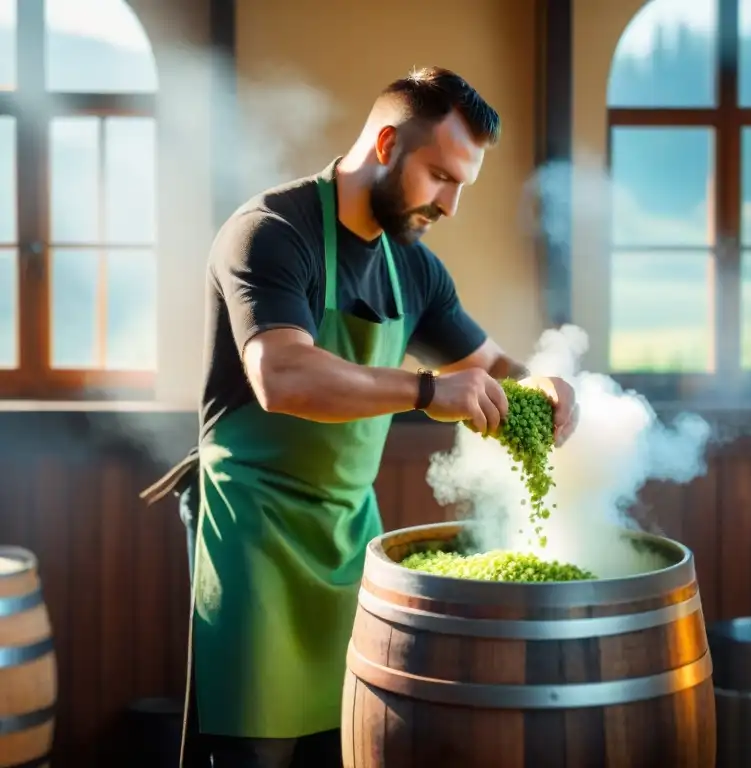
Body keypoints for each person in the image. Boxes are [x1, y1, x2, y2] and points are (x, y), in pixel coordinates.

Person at [146, 66, 580, 768]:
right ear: (385, 144)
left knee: (348, 746)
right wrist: (426, 392)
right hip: (252, 536)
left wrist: (547, 387)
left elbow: (495, 365)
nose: (451, 204)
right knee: (254, 752)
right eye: (440, 176)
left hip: (352, 539)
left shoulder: (415, 269)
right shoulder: (268, 232)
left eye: (463, 184)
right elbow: (281, 375)